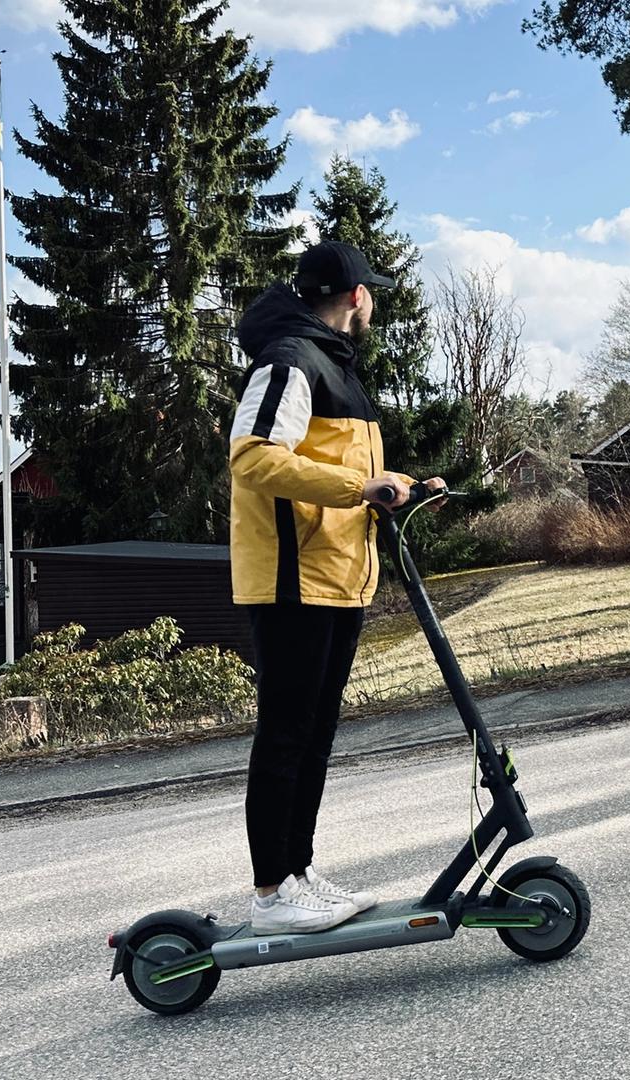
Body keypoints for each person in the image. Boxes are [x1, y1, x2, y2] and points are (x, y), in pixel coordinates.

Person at [227, 240, 444, 934]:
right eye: (371, 291)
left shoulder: (333, 365)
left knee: (314, 735)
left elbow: (340, 470)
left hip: (336, 579)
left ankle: (297, 872)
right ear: (357, 296)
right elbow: (253, 458)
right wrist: (359, 487)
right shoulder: (290, 360)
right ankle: (270, 894)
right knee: (286, 735)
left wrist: (398, 484)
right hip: (291, 581)